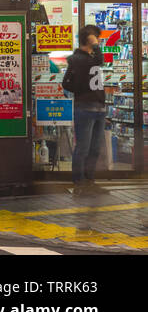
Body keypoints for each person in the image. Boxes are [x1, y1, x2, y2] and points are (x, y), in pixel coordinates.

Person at [62, 25, 108, 196]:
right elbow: (99, 61)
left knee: (95, 147)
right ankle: (79, 181)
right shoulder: (80, 58)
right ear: (89, 39)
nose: (99, 41)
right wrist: (95, 45)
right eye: (96, 38)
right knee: (83, 146)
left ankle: (89, 180)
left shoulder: (87, 58)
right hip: (85, 108)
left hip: (99, 108)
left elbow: (68, 83)